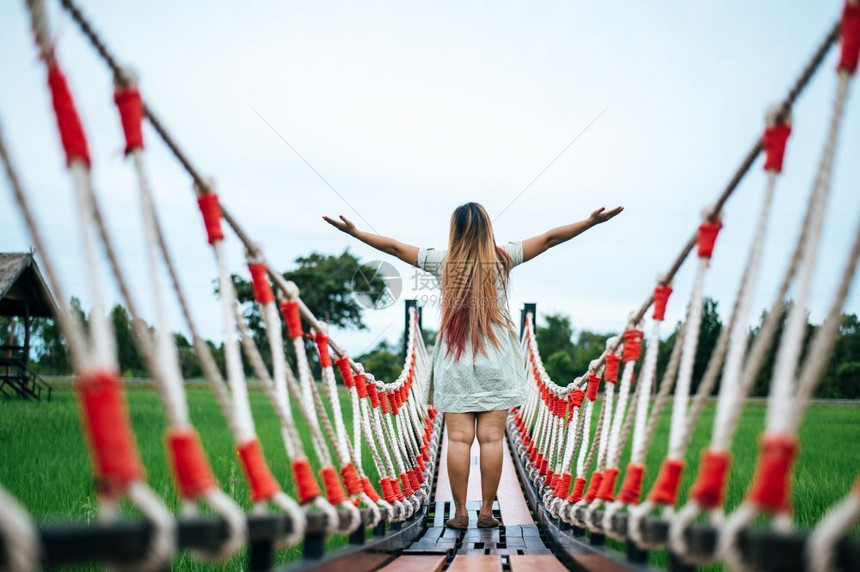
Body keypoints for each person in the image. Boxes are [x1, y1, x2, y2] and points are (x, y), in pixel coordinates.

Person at [324, 202, 622, 529]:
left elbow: (393, 248)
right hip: (497, 361)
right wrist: (591, 222)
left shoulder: (443, 261)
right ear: (487, 229)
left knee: (458, 440)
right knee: (492, 439)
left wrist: (353, 232)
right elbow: (550, 238)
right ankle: (486, 514)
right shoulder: (503, 257)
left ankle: (461, 514)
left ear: (455, 230)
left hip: (455, 362)